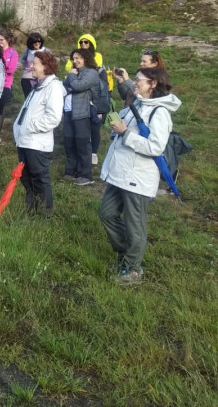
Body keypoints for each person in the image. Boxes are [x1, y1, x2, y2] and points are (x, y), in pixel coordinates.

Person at [100, 68, 181, 285]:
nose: (134, 83)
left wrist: (125, 133)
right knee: (107, 213)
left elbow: (155, 147)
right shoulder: (137, 104)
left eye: (139, 80)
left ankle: (133, 269)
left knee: (135, 224)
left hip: (138, 176)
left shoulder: (160, 113)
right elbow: (123, 129)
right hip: (120, 172)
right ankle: (127, 256)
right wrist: (116, 129)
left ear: (153, 84)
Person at [12, 51, 65, 215]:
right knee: (27, 179)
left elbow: (54, 118)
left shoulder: (53, 87)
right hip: (25, 142)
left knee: (40, 180)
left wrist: (30, 127)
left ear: (45, 66)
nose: (30, 66)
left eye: (34, 63)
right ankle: (31, 212)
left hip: (37, 144)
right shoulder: (39, 87)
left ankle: (44, 216)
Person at [62, 47, 99, 185]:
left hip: (82, 112)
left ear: (86, 59)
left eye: (78, 58)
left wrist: (71, 77)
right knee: (69, 142)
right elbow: (65, 87)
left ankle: (86, 175)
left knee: (82, 143)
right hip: (68, 111)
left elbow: (77, 86)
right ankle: (71, 171)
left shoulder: (91, 73)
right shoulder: (75, 72)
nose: (75, 60)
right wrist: (72, 81)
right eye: (74, 58)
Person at [0, 31, 19, 143]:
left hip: (5, 85)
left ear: (7, 40)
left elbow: (11, 69)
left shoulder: (12, 53)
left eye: (2, 40)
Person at [19, 33, 47, 97]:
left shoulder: (46, 51)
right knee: (28, 97)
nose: (37, 43)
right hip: (27, 78)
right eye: (35, 42)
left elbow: (50, 63)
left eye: (39, 41)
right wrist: (27, 66)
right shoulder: (27, 51)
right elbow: (22, 59)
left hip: (41, 78)